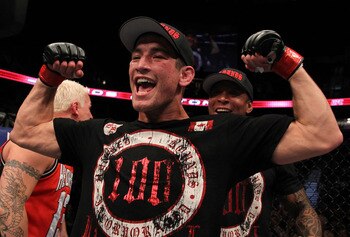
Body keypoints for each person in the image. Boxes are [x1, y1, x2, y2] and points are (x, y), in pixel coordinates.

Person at [9, 16, 342, 237]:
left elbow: (322, 134)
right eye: (136, 55)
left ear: (185, 76)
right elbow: (24, 133)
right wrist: (48, 79)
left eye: (157, 56)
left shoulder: (222, 134)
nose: (141, 63)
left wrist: (287, 63)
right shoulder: (98, 133)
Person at [202, 67, 322, 236]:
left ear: (249, 106)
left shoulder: (269, 145)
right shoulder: (190, 141)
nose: (222, 98)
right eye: (215, 93)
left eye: (233, 93)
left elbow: (301, 209)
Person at [0, 79, 93, 237]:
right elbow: (9, 206)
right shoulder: (36, 144)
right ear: (75, 107)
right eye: (89, 109)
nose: (91, 116)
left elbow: (57, 210)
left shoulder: (61, 148)